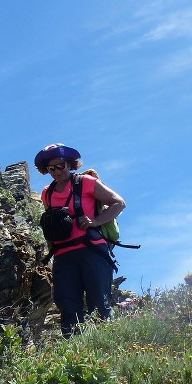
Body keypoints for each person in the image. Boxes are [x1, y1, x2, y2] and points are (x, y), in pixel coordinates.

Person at [34, 143, 126, 337]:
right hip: (63, 256)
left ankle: (104, 348)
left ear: (70, 164)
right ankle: (75, 352)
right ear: (46, 170)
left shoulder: (86, 183)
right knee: (67, 304)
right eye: (52, 168)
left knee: (99, 304)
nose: (57, 171)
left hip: (92, 250)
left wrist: (95, 221)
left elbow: (119, 203)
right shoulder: (46, 193)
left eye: (61, 166)